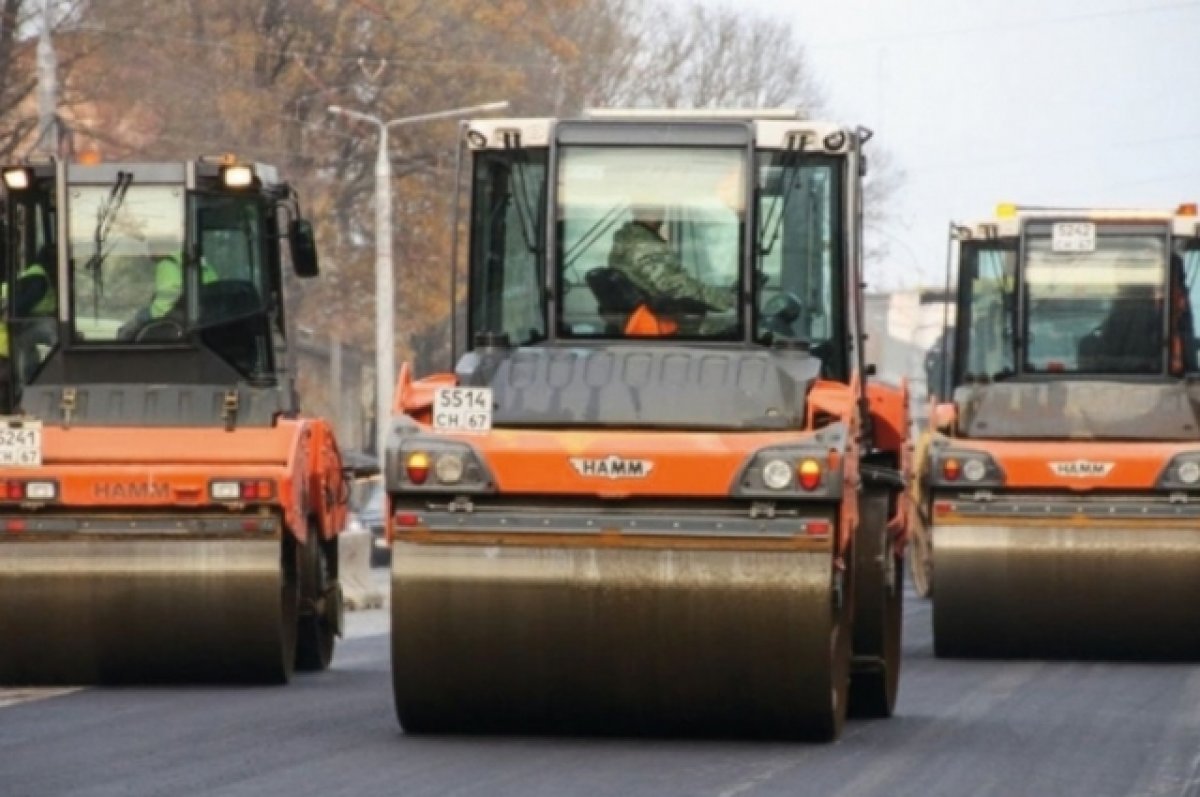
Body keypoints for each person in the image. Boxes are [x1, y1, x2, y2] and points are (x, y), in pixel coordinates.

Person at [607, 205, 735, 334]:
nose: (657, 211)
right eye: (649, 206)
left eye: (658, 206)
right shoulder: (644, 245)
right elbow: (673, 286)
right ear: (635, 209)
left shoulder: (627, 239)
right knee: (733, 325)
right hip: (665, 322)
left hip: (660, 314)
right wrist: (726, 301)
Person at [117, 253, 218, 341]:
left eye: (151, 246)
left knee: (129, 329)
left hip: (176, 316)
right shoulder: (199, 261)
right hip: (204, 315)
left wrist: (147, 316)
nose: (148, 253)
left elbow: (163, 307)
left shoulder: (166, 264)